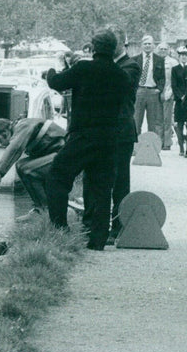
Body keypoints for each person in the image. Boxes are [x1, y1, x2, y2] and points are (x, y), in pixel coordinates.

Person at [45, 28, 129, 250]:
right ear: (114, 49)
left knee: (58, 175)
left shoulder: (83, 68)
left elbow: (57, 83)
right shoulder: (122, 76)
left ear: (93, 47)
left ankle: (60, 228)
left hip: (83, 136)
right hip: (109, 139)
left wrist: (52, 69)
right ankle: (98, 240)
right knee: (102, 188)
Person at [81, 25, 141, 245]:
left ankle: (117, 227)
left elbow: (117, 91)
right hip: (101, 130)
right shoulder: (110, 65)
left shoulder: (131, 66)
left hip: (120, 132)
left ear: (121, 45)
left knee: (119, 182)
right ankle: (91, 225)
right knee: (92, 179)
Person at [0, 117, 66, 220]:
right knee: (21, 166)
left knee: (28, 169)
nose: (1, 144)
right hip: (58, 154)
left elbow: (15, 147)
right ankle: (41, 208)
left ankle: (46, 210)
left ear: (5, 132)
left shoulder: (23, 125)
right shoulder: (22, 126)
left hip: (66, 154)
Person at [133, 35, 165, 140]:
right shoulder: (135, 59)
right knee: (136, 120)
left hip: (153, 92)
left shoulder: (159, 60)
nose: (147, 46)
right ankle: (134, 145)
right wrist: (135, 90)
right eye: (145, 44)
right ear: (142, 45)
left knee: (153, 122)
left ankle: (151, 147)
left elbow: (162, 77)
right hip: (139, 91)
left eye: (149, 44)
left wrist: (159, 89)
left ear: (153, 45)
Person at [156, 42, 178, 150]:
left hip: (168, 92)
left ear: (168, 50)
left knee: (167, 119)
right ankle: (159, 141)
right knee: (158, 119)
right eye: (161, 49)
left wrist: (172, 92)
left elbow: (176, 80)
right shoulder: (155, 61)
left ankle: (167, 142)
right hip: (157, 93)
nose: (163, 51)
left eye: (165, 49)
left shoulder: (173, 62)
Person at [171, 46, 187, 155]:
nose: (184, 57)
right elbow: (174, 85)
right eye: (182, 55)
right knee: (180, 124)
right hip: (179, 101)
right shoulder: (175, 69)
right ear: (179, 57)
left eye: (186, 55)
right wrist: (181, 96)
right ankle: (181, 148)